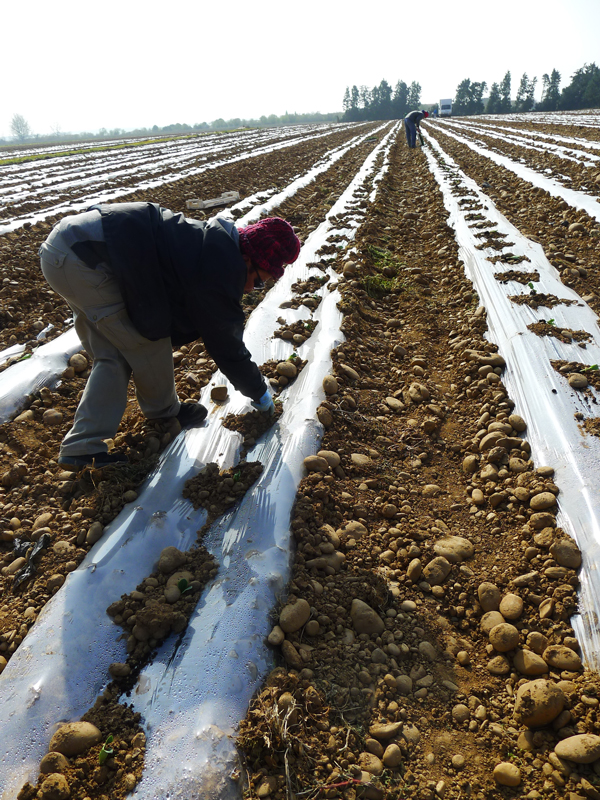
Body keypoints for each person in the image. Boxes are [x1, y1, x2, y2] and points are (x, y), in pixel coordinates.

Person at [39, 203, 301, 469]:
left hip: (71, 246)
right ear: (248, 258)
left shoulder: (217, 243)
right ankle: (86, 447)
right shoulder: (220, 267)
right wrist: (259, 392)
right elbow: (225, 342)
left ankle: (157, 416)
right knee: (140, 343)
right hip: (86, 259)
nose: (250, 289)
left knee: (116, 349)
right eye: (257, 280)